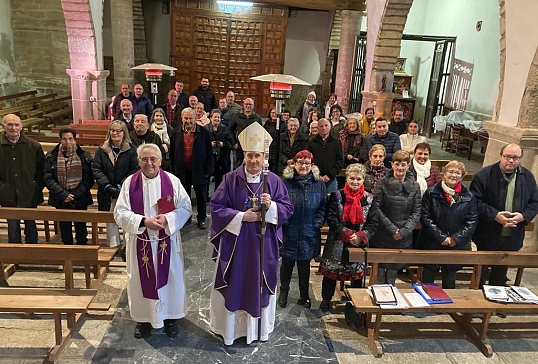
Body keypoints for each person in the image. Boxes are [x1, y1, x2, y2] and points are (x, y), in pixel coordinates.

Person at [209, 122, 293, 345]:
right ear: (243, 156)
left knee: (259, 283)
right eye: (250, 156)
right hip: (236, 245)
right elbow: (216, 207)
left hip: (262, 245)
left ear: (264, 157)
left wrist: (272, 206)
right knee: (235, 283)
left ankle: (258, 330)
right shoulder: (230, 179)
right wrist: (240, 217)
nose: (254, 161)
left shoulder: (273, 181)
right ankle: (231, 330)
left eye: (258, 156)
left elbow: (287, 209)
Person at [114, 143, 192, 339]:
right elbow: (120, 213)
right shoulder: (129, 184)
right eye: (144, 159)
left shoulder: (172, 182)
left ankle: (170, 317)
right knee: (140, 281)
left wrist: (168, 219)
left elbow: (185, 208)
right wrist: (143, 221)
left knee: (170, 279)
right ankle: (144, 319)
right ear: (138, 161)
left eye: (153, 159)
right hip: (141, 242)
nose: (149, 163)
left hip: (167, 241)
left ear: (160, 161)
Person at [470, 143, 538, 286]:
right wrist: (495, 215)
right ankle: (477, 303)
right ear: (501, 156)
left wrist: (523, 216)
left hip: (512, 234)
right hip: (487, 232)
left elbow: (534, 202)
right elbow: (475, 201)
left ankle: (497, 304)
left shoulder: (527, 177)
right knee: (480, 272)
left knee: (500, 275)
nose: (511, 161)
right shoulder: (484, 175)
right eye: (507, 157)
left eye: (515, 157)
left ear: (520, 159)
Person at [318, 163, 374, 312]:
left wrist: (361, 236)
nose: (355, 182)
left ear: (363, 180)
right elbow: (332, 218)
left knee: (356, 276)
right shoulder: (337, 196)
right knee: (331, 273)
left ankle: (354, 303)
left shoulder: (370, 199)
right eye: (352, 178)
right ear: (347, 178)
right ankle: (326, 299)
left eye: (358, 178)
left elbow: (373, 223)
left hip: (359, 242)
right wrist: (347, 234)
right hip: (338, 239)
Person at [417, 161, 478, 288]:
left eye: (457, 173)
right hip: (432, 241)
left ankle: (446, 308)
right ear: (444, 174)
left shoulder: (468, 197)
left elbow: (472, 221)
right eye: (450, 171)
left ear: (462, 176)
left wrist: (456, 238)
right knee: (427, 280)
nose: (453, 175)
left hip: (455, 245)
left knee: (449, 280)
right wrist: (441, 237)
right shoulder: (431, 193)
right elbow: (425, 216)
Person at [280, 150, 326, 308]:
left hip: (309, 229)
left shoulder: (318, 183)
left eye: (307, 163)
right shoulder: (285, 182)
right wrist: (284, 221)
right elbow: (279, 203)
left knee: (304, 265)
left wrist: (317, 223)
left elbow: (323, 206)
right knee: (287, 263)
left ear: (312, 165)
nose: (304, 166)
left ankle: (304, 295)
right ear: (294, 164)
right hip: (290, 228)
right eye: (300, 162)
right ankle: (283, 292)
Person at [369, 150, 421, 285]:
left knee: (393, 271)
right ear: (392, 165)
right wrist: (392, 229)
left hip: (403, 235)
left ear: (408, 165)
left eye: (403, 164)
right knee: (379, 271)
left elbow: (416, 212)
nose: (400, 168)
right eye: (397, 164)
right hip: (383, 233)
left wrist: (404, 231)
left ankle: (391, 301)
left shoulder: (415, 186)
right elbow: (376, 208)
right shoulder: (382, 183)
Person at [92, 120, 139, 248]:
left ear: (124, 133)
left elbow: (135, 170)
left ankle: (127, 245)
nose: (115, 133)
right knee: (110, 218)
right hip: (106, 190)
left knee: (126, 217)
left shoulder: (131, 149)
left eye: (118, 131)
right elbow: (96, 169)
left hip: (125, 190)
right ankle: (113, 245)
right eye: (112, 130)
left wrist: (121, 185)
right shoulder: (102, 149)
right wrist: (107, 186)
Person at [44, 127, 94, 245]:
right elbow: (48, 178)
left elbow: (89, 179)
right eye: (64, 139)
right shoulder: (52, 156)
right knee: (65, 227)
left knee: (81, 226)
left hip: (80, 197)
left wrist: (75, 194)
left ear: (74, 140)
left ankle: (82, 248)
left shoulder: (84, 156)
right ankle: (68, 250)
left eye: (70, 139)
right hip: (61, 197)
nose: (68, 142)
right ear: (60, 140)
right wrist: (64, 194)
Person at [0, 114, 44, 244]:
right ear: (3, 126)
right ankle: (15, 257)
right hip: (7, 194)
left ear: (21, 126)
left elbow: (41, 170)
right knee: (13, 227)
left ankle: (33, 253)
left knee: (31, 225)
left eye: (16, 124)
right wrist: (2, 189)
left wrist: (36, 186)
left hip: (29, 192)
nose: (13, 128)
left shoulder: (33, 145)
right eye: (9, 124)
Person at [170, 107, 213, 229]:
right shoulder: (175, 132)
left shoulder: (204, 133)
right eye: (185, 118)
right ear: (181, 119)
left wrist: (208, 172)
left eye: (190, 118)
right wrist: (173, 171)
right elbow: (172, 153)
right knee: (184, 197)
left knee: (201, 197)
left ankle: (201, 219)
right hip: (182, 171)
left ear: (195, 118)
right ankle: (186, 218)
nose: (188, 121)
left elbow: (209, 153)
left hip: (199, 170)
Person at [307, 118, 344, 194]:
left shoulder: (337, 142)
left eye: (326, 125)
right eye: (321, 126)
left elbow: (339, 161)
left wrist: (329, 175)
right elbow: (308, 161)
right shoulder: (311, 143)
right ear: (318, 128)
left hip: (331, 180)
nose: (323, 128)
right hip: (315, 179)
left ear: (330, 127)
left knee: (331, 203)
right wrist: (317, 175)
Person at [228, 98, 262, 166]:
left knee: (251, 164)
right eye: (246, 104)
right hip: (239, 146)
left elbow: (260, 132)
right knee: (239, 165)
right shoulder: (236, 116)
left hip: (252, 147)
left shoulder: (257, 118)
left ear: (253, 106)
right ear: (243, 105)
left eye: (250, 104)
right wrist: (234, 142)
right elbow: (230, 129)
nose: (248, 106)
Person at [206, 109, 234, 192]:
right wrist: (210, 144)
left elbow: (230, 144)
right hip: (209, 158)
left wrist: (223, 144)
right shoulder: (205, 129)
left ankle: (217, 194)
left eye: (218, 117)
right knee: (207, 177)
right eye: (215, 117)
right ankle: (206, 195)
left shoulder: (225, 129)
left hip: (221, 158)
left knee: (219, 178)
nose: (217, 119)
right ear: (210, 118)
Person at [264, 107, 287, 173]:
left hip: (278, 149)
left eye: (276, 113)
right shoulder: (267, 123)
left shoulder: (283, 124)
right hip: (268, 149)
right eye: (272, 113)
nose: (274, 114)